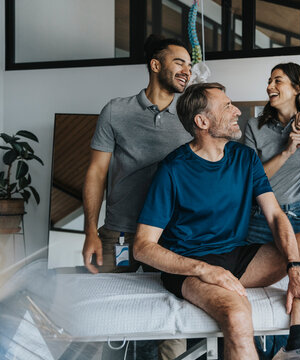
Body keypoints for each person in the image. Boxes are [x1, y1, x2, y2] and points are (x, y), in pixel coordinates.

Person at [134, 82, 300, 360]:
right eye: (227, 106)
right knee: (238, 316)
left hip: (237, 256)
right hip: (190, 265)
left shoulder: (245, 158)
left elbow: (275, 215)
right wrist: (203, 269)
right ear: (202, 121)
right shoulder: (172, 169)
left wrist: (295, 266)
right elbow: (142, 247)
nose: (236, 111)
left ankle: (296, 349)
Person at [81, 34, 192, 359]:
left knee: (174, 329)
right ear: (155, 65)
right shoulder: (116, 111)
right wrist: (90, 231)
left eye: (189, 64)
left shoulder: (191, 117)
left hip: (172, 239)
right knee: (103, 318)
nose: (187, 70)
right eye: (179, 62)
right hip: (120, 235)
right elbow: (96, 173)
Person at [243, 63, 300, 358]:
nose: (269, 86)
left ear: (296, 87)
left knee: (287, 297)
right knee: (254, 294)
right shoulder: (254, 127)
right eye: (269, 80)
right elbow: (251, 181)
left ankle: (285, 354)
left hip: (298, 218)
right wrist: (286, 152)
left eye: (277, 81)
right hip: (258, 218)